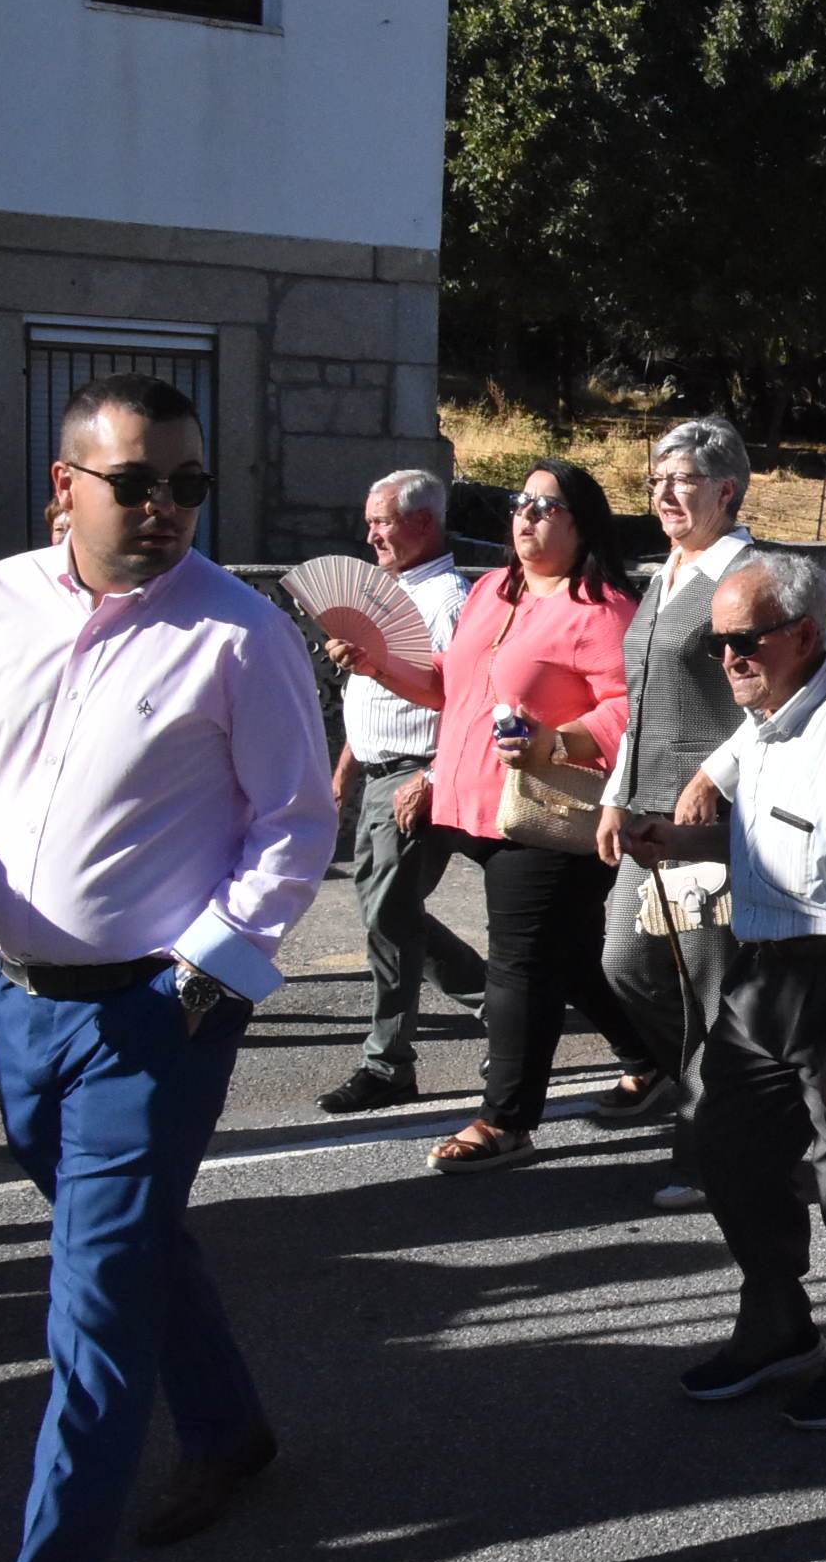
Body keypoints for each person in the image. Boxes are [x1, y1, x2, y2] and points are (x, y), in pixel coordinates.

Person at [0, 374, 334, 1562]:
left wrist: (203, 978)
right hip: (19, 1003)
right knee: (123, 1242)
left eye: (190, 483)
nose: (169, 507)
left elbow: (295, 825)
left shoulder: (240, 635)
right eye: (139, 483)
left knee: (95, 1311)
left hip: (154, 1019)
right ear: (63, 486)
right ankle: (229, 1430)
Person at [627, 555, 826, 1427]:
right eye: (717, 643)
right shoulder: (762, 722)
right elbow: (764, 845)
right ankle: (776, 1322)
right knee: (726, 1144)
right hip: (762, 971)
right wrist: (672, 840)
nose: (727, 658)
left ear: (804, 636)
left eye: (745, 641)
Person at [337, 459, 648, 1173]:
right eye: (520, 502)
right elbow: (449, 684)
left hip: (549, 814)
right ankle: (653, 1060)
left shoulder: (602, 609)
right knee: (566, 958)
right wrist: (378, 663)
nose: (526, 516)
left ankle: (506, 1121)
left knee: (518, 966)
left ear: (581, 524)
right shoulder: (491, 591)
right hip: (472, 806)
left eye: (546, 506)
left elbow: (631, 710)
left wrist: (554, 742)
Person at [594, 417, 758, 1211]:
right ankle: (741, 1099)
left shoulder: (746, 578)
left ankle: (708, 1153)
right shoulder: (664, 574)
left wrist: (713, 774)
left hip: (705, 818)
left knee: (708, 988)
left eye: (681, 479)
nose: (663, 493)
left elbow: (777, 701)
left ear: (726, 490)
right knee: (625, 967)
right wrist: (614, 796)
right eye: (656, 479)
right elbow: (640, 703)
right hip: (646, 814)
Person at [317, 468, 487, 1113]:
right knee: (386, 913)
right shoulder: (387, 593)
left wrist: (432, 775)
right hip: (378, 772)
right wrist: (344, 771)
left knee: (388, 917)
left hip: (416, 773)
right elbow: (370, 700)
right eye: (369, 523)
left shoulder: (449, 601)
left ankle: (388, 1063)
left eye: (382, 522)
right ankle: (502, 1004)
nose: (371, 536)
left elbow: (469, 702)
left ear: (422, 522)